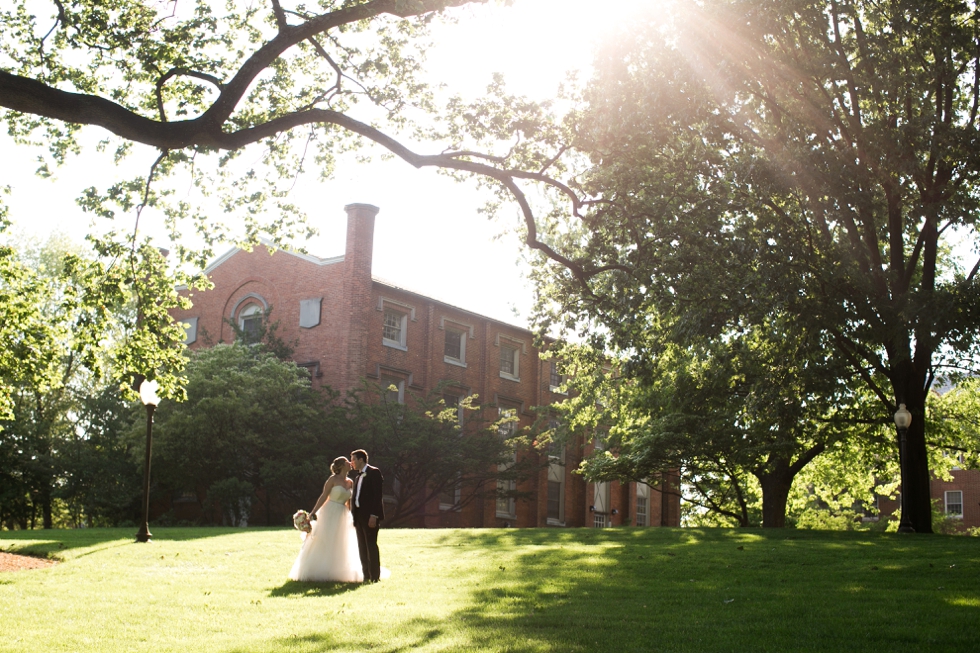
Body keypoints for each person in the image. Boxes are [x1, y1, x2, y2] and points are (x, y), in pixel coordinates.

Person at [288, 456, 363, 583]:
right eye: (347, 462)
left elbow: (349, 502)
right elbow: (323, 496)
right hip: (330, 511)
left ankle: (338, 570)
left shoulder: (350, 482)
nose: (350, 463)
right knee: (325, 539)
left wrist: (352, 516)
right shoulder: (332, 479)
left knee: (341, 541)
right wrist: (312, 512)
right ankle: (319, 569)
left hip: (343, 514)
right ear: (341, 466)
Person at [350, 449, 385, 582]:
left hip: (370, 516)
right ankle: (366, 575)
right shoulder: (358, 476)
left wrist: (374, 515)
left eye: (353, 459)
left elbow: (377, 496)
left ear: (361, 460)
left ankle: (375, 576)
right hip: (358, 517)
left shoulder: (373, 472)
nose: (351, 462)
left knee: (371, 545)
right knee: (362, 547)